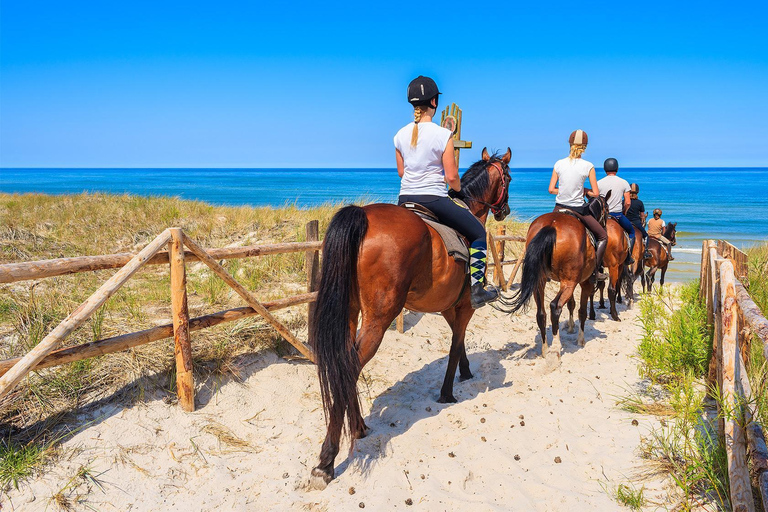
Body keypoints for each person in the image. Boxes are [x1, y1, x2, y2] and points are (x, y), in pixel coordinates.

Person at [394, 76, 498, 309]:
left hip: (404, 200)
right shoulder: (443, 135)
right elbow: (452, 177)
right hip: (433, 199)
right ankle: (477, 288)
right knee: (478, 233)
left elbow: (402, 173)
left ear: (412, 104)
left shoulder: (400, 135)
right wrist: (458, 190)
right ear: (434, 102)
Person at [548, 129, 607, 281]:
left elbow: (551, 189)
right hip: (578, 209)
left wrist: (566, 190)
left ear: (569, 144)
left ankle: (544, 268)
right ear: (585, 147)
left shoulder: (558, 163)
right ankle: (595, 271)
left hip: (558, 207)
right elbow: (595, 193)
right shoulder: (588, 166)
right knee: (602, 236)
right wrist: (584, 191)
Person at [597, 158, 635, 264]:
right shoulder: (623, 182)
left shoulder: (599, 183)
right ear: (617, 168)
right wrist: (624, 212)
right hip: (617, 215)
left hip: (602, 217)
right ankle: (628, 257)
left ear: (605, 169)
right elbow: (627, 202)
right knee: (632, 232)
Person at [626, 183, 651, 259]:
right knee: (646, 236)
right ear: (637, 192)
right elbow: (642, 216)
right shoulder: (640, 203)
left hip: (626, 222)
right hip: (636, 222)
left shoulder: (625, 201)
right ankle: (646, 251)